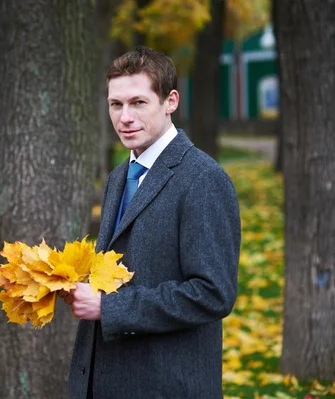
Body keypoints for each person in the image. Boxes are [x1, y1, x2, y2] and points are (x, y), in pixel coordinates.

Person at [65, 46, 240, 398]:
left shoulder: (203, 178)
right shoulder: (119, 176)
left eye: (138, 103)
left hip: (167, 384)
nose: (124, 117)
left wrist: (108, 308)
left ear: (170, 101)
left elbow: (212, 293)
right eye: (116, 104)